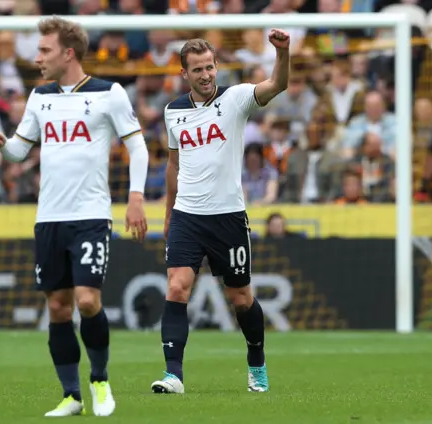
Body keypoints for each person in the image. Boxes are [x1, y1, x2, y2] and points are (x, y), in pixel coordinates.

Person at [0, 16, 149, 417]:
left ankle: (100, 380)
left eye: (44, 50)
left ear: (68, 53)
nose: (37, 57)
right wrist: (2, 145)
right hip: (49, 218)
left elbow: (138, 147)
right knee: (58, 307)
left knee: (88, 300)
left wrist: (136, 197)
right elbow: (21, 151)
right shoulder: (39, 97)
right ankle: (71, 396)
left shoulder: (109, 93)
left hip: (91, 214)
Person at [151, 29, 290, 394]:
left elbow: (278, 83)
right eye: (197, 69)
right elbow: (172, 166)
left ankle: (256, 362)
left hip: (228, 216)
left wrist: (283, 52)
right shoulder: (173, 112)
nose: (206, 74)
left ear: (217, 67)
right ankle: (173, 375)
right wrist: (168, 213)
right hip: (187, 215)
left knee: (240, 298)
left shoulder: (237, 98)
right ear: (185, 73)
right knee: (177, 287)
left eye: (210, 67)